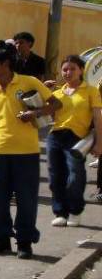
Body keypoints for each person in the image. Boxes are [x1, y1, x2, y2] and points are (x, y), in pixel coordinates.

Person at [0, 42, 59, 259]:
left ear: (5, 64)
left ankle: (25, 241)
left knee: (26, 199)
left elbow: (55, 104)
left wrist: (35, 114)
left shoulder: (29, 82)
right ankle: (0, 240)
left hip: (26, 153)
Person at [47, 54, 102, 226]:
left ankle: (75, 210)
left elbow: (98, 117)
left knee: (75, 174)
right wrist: (45, 92)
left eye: (72, 69)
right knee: (56, 176)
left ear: (81, 71)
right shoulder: (57, 93)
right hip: (55, 136)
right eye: (65, 69)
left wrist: (100, 143)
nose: (68, 72)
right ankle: (60, 212)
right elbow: (45, 116)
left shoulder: (91, 91)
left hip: (77, 137)